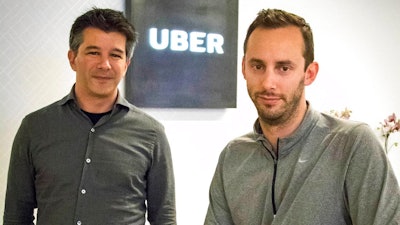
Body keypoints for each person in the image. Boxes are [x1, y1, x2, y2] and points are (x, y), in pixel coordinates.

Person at [204, 8, 400, 225]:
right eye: (258, 66)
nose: (268, 82)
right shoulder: (233, 156)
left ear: (309, 73)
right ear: (243, 68)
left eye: (284, 68)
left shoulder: (352, 145)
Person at [4, 8, 176, 225]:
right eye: (93, 52)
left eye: (115, 55)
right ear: (73, 58)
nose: (104, 64)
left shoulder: (151, 134)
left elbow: (165, 218)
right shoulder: (34, 128)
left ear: (126, 65)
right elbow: (16, 216)